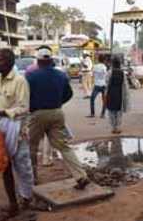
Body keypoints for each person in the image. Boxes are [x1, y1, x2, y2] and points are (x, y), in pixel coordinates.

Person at [26, 46, 90, 189]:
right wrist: (58, 102)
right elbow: (69, 94)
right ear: (51, 60)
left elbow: (25, 97)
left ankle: (33, 178)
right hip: (57, 112)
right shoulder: (61, 75)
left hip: (37, 114)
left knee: (32, 147)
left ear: (38, 61)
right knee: (64, 146)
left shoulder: (31, 76)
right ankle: (80, 176)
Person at [0, 49, 34, 217]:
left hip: (17, 127)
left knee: (22, 166)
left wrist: (1, 112)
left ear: (10, 62)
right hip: (0, 127)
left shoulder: (20, 81)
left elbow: (24, 108)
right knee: (4, 166)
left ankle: (27, 198)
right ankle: (13, 204)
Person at [105, 56, 130, 134]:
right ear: (119, 64)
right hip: (120, 93)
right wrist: (126, 96)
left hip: (111, 93)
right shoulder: (122, 73)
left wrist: (105, 93)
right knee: (119, 111)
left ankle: (113, 127)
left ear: (112, 64)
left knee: (111, 111)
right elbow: (125, 85)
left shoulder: (109, 72)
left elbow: (106, 83)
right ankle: (118, 127)